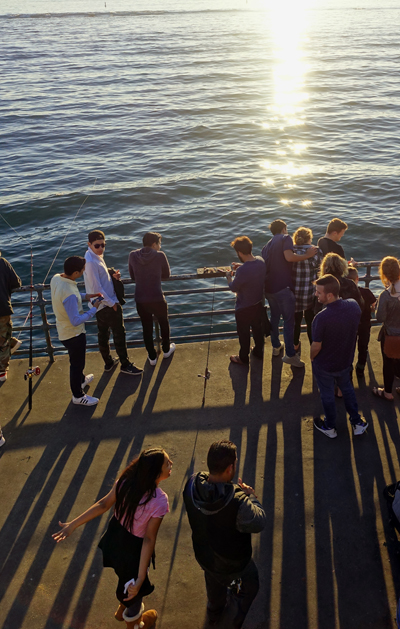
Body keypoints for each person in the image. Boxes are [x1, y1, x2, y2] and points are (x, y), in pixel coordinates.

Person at [53, 447, 172, 628]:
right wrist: (140, 578)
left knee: (124, 578)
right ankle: (135, 622)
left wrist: (73, 525)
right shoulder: (159, 501)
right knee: (133, 591)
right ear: (155, 473)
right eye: (167, 463)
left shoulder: (125, 481)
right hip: (134, 550)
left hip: (115, 539)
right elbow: (148, 538)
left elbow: (103, 504)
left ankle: (122, 610)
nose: (171, 464)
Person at [183, 440, 266, 628]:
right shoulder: (238, 501)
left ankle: (214, 612)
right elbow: (259, 521)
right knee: (248, 588)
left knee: (213, 580)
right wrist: (250, 496)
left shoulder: (192, 484)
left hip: (205, 555)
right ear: (230, 468)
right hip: (233, 563)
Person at [311, 274, 368, 438]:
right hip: (345, 361)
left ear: (329, 295)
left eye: (318, 292)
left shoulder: (320, 318)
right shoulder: (353, 306)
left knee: (327, 395)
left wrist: (312, 358)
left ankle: (329, 426)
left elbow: (316, 346)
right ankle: (357, 422)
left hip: (325, 365)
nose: (316, 295)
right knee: (348, 390)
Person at [84, 230, 143, 376]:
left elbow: (100, 276)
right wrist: (113, 304)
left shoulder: (93, 256)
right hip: (107, 304)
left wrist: (111, 273)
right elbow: (97, 288)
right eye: (97, 245)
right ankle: (125, 364)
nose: (101, 248)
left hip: (99, 305)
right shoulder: (91, 262)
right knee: (119, 334)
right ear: (89, 244)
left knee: (103, 333)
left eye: (103, 245)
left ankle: (109, 362)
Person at [262, 219, 318, 368]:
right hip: (283, 288)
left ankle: (276, 346)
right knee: (289, 322)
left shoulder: (266, 246)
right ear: (284, 229)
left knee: (274, 317)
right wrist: (307, 255)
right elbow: (289, 257)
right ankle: (291, 356)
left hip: (269, 289)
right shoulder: (285, 238)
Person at [50, 256, 103, 406]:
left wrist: (87, 296)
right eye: (82, 270)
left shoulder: (56, 278)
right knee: (76, 364)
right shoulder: (69, 293)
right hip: (73, 334)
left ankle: (81, 380)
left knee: (77, 362)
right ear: (75, 273)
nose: (84, 271)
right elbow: (75, 320)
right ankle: (78, 396)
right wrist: (94, 309)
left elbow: (68, 298)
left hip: (63, 330)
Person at [128, 232, 175, 366]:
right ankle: (166, 350)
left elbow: (132, 276)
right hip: (157, 297)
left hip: (141, 299)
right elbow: (166, 274)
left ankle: (152, 356)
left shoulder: (132, 255)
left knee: (146, 327)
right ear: (154, 244)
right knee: (164, 323)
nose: (160, 247)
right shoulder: (160, 255)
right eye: (159, 244)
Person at [225, 236, 266, 365]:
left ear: (240, 253)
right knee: (257, 331)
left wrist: (228, 277)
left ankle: (243, 358)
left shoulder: (242, 271)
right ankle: (259, 352)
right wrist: (241, 266)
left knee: (244, 334)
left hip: (244, 308)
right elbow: (251, 269)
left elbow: (233, 287)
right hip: (258, 304)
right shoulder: (260, 261)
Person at [292, 227, 323, 355]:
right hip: (311, 292)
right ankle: (313, 347)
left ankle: (295, 345)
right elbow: (321, 269)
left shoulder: (291, 251)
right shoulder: (315, 251)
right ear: (309, 238)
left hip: (294, 293)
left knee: (296, 322)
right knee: (311, 322)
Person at [372, 257, 400, 400]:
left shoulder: (386, 295)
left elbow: (380, 318)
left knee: (388, 363)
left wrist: (376, 307)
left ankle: (388, 392)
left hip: (390, 336)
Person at [347, 266, 376, 378]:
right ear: (357, 279)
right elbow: (374, 307)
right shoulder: (366, 292)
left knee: (349, 348)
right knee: (363, 347)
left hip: (350, 326)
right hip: (365, 324)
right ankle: (360, 368)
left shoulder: (345, 294)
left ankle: (348, 370)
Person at [0, 253, 22, 382]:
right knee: (3, 339)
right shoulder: (2, 262)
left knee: (2, 339)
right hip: (2, 307)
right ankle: (2, 371)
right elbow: (17, 283)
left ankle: (12, 342)